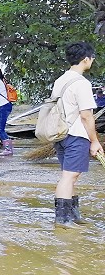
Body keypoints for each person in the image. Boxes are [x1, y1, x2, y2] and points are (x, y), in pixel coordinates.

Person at [51, 42, 103, 226]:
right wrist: (95, 141)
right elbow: (86, 116)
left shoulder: (60, 80)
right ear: (86, 59)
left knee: (70, 175)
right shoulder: (82, 83)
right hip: (76, 135)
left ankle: (72, 216)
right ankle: (63, 220)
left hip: (61, 135)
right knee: (69, 177)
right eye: (92, 58)